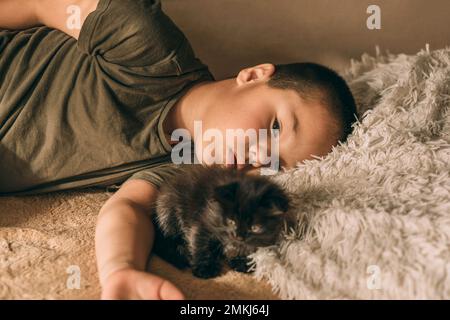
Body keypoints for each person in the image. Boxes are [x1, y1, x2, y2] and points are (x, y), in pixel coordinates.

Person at [0, 0, 358, 299]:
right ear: (253, 76)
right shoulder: (146, 47)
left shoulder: (183, 169)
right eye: (275, 127)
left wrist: (120, 271)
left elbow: (128, 208)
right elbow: (37, 2)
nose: (258, 158)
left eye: (275, 164)